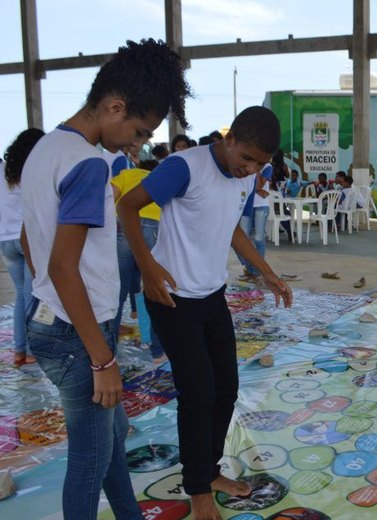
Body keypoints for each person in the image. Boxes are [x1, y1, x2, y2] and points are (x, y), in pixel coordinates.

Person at [20, 38, 190, 520]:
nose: (137, 144)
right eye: (138, 131)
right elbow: (60, 266)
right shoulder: (89, 163)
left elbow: (32, 243)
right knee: (89, 459)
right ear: (115, 107)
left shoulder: (46, 147)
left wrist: (53, 299)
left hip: (55, 321)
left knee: (112, 436)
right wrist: (100, 358)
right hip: (80, 337)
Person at [117, 106, 293, 520]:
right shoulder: (184, 167)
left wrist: (266, 272)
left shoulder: (246, 178)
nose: (251, 170)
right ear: (229, 139)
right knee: (197, 393)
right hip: (172, 299)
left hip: (213, 296)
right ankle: (197, 486)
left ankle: (208, 470)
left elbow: (232, 227)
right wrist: (148, 267)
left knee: (226, 388)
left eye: (261, 164)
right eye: (247, 158)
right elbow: (128, 206)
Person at [111, 159, 167, 363]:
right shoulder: (160, 178)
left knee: (117, 292)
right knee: (155, 287)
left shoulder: (127, 174)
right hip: (155, 226)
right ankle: (158, 352)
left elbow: (109, 197)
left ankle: (109, 354)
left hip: (125, 225)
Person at [1, 128, 44, 366]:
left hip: (5, 240)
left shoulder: (4, 169)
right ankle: (29, 350)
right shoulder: (35, 170)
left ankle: (19, 349)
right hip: (27, 238)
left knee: (20, 295)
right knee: (31, 296)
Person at [237, 162, 281, 280]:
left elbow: (258, 186)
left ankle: (257, 271)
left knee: (259, 237)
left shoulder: (267, 167)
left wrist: (255, 171)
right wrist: (259, 190)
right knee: (242, 238)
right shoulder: (246, 164)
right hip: (247, 205)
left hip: (261, 205)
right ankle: (249, 268)